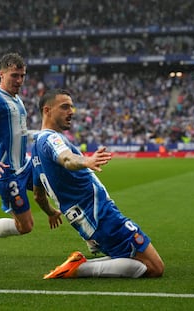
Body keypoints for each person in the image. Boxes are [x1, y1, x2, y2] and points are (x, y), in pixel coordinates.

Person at [31, 89, 164, 278]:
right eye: (65, 107)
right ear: (47, 110)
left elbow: (38, 194)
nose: (71, 111)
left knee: (129, 258)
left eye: (71, 106)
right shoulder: (52, 139)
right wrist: (86, 161)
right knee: (155, 266)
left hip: (87, 220)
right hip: (100, 215)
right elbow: (67, 159)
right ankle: (79, 269)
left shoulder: (35, 149)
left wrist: (51, 212)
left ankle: (79, 266)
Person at [0, 53, 62, 252]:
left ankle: (87, 233)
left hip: (23, 166)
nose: (19, 80)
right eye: (14, 75)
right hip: (6, 172)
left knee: (60, 182)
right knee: (25, 226)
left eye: (22, 76)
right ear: (2, 74)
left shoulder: (16, 100)